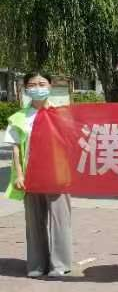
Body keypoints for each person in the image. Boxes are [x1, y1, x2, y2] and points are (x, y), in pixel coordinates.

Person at [4, 72, 72, 278]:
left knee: (60, 220)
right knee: (34, 222)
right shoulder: (18, 118)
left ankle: (59, 265)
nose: (37, 88)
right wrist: (19, 175)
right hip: (31, 176)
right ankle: (37, 264)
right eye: (32, 84)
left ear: (50, 86)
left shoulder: (61, 114)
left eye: (42, 84)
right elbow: (16, 149)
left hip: (57, 175)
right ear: (25, 89)